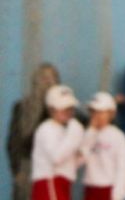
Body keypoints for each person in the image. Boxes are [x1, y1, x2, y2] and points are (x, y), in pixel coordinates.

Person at [6, 63, 61, 200]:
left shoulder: (61, 110)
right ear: (35, 81)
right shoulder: (22, 107)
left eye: (52, 77)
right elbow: (14, 142)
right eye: (44, 77)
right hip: (27, 167)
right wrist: (17, 170)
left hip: (52, 172)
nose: (48, 82)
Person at [29, 85, 83, 200]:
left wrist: (83, 152)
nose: (68, 112)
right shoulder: (47, 129)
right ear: (51, 109)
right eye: (64, 108)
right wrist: (74, 135)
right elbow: (57, 158)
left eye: (70, 108)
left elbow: (70, 162)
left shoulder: (64, 130)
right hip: (50, 182)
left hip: (61, 183)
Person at [78, 92, 125, 200]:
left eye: (101, 112)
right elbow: (79, 160)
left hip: (108, 189)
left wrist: (118, 194)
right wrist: (91, 131)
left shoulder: (118, 136)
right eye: (93, 112)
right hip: (90, 188)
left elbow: (122, 168)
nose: (97, 116)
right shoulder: (87, 134)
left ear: (111, 113)